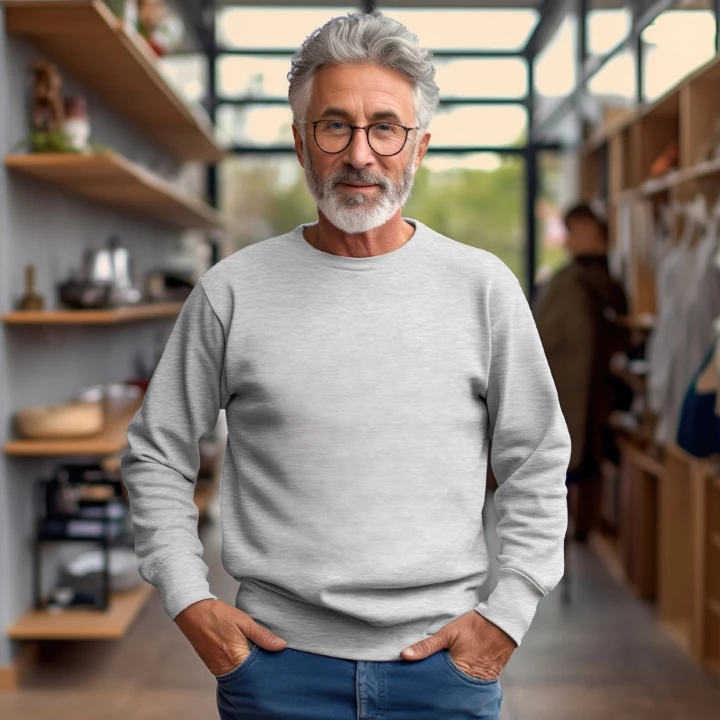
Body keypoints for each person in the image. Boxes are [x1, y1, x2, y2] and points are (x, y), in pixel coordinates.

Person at [120, 11, 571, 719]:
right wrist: (191, 603)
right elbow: (156, 454)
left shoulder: (483, 289)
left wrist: (506, 616)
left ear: (418, 146)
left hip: (445, 676)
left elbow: (537, 458)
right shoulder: (232, 292)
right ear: (303, 144)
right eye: (335, 126)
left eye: (385, 127)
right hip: (276, 673)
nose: (360, 153)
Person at [533, 203, 630, 543]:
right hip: (572, 386)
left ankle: (583, 526)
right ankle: (575, 525)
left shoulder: (588, 283)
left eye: (576, 231)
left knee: (586, 453)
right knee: (577, 452)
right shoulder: (572, 281)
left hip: (592, 387)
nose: (570, 240)